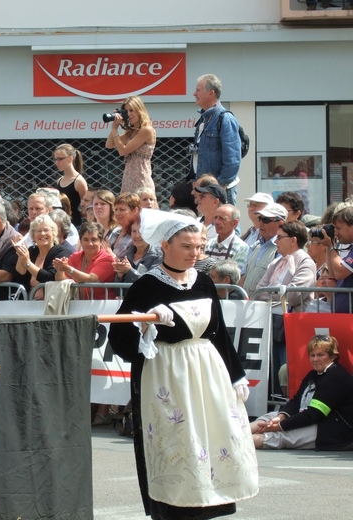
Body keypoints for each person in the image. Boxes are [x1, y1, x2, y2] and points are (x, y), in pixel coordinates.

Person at [108, 209, 258, 519]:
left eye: (199, 247)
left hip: (207, 371)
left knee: (211, 435)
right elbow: (119, 337)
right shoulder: (147, 286)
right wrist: (147, 329)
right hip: (166, 374)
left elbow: (219, 333)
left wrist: (236, 374)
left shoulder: (203, 280)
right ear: (165, 245)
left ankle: (209, 502)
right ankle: (172, 509)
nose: (195, 254)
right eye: (187, 247)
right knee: (176, 440)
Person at [251, 335, 353, 450]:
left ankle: (238, 443)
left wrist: (279, 426)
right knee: (269, 417)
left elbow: (314, 414)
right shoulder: (312, 374)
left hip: (331, 430)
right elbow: (296, 401)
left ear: (333, 356)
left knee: (280, 437)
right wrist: (280, 417)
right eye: (312, 355)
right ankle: (234, 435)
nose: (315, 359)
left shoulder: (336, 376)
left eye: (320, 355)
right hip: (312, 418)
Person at [254, 221, 316, 382]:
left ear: (293, 240)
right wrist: (279, 293)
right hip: (269, 320)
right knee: (270, 368)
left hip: (289, 323)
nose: (276, 241)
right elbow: (259, 290)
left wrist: (272, 293)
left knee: (283, 367)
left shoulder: (305, 263)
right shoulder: (276, 262)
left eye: (280, 237)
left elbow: (294, 295)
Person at [191, 74, 242, 205]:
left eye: (198, 90)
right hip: (205, 189)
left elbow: (233, 159)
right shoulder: (204, 119)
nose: (194, 94)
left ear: (211, 93)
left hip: (218, 190)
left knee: (225, 223)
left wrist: (219, 186)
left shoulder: (225, 118)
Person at [105, 96, 156, 194]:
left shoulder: (146, 129)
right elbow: (109, 144)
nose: (129, 114)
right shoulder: (131, 131)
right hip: (128, 179)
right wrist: (117, 124)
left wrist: (115, 129)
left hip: (141, 180)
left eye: (132, 110)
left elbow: (123, 151)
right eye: (126, 111)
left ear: (139, 110)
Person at [54, 222, 116, 300]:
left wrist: (67, 269)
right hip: (80, 306)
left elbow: (90, 279)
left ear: (101, 241)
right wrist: (60, 269)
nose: (90, 244)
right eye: (86, 240)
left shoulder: (107, 259)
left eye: (94, 240)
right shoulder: (75, 256)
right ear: (81, 241)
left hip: (103, 308)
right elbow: (60, 278)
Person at [14, 214, 69, 300]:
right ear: (33, 235)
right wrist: (20, 250)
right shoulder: (32, 250)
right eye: (38, 231)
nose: (42, 234)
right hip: (28, 302)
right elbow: (20, 273)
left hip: (49, 303)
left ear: (54, 233)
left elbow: (50, 278)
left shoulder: (60, 251)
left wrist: (28, 263)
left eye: (46, 230)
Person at [240, 203, 287, 291]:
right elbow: (243, 276)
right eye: (260, 218)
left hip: (268, 303)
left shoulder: (283, 249)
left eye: (265, 220)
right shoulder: (255, 246)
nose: (260, 223)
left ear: (280, 224)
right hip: (248, 302)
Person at [316, 204, 353, 312]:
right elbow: (333, 273)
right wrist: (329, 246)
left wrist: (332, 247)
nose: (336, 232)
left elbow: (340, 273)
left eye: (338, 228)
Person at [53, 143, 88, 227]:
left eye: (60, 159)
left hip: (74, 224)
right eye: (55, 159)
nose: (57, 162)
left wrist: (78, 213)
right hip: (60, 223)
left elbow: (87, 204)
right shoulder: (59, 180)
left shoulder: (79, 181)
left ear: (70, 159)